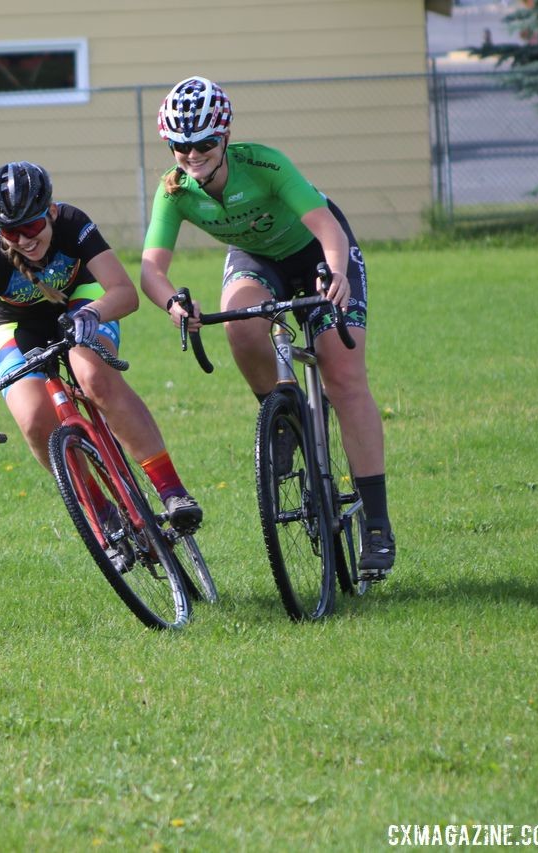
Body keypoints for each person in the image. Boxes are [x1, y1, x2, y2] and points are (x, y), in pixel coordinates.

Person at [139, 76, 396, 580]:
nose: (191, 154)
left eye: (204, 143)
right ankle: (285, 418)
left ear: (225, 136)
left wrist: (337, 273)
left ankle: (379, 525)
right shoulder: (174, 191)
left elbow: (326, 228)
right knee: (240, 323)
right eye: (180, 145)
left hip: (319, 252)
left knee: (342, 377)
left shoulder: (264, 164)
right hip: (259, 259)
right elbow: (151, 269)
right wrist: (172, 303)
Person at [0, 160, 202, 532]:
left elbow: (125, 293)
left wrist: (93, 314)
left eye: (32, 226)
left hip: (84, 303)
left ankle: (172, 490)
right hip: (18, 325)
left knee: (91, 373)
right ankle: (100, 511)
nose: (24, 240)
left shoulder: (71, 222)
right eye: (12, 233)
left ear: (49, 211)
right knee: (33, 418)